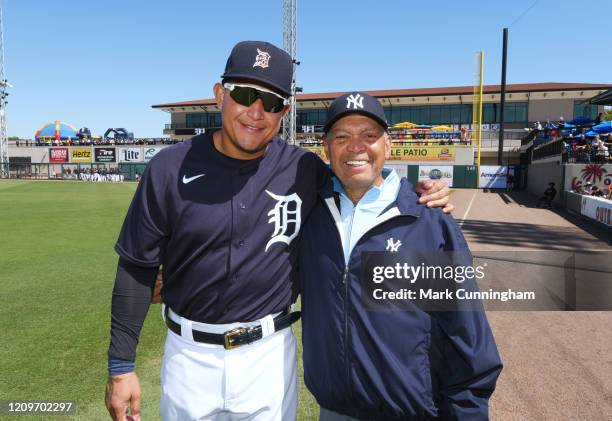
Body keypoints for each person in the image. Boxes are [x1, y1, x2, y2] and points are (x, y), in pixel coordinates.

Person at [105, 41, 452, 421]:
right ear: (220, 95)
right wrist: (121, 367)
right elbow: (136, 267)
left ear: (284, 112)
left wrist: (419, 193)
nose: (256, 112)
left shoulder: (304, 169)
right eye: (245, 95)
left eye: (270, 102)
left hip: (268, 358)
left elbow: (360, 181)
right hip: (189, 356)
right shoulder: (169, 167)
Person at [299, 92, 502, 420]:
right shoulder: (310, 214)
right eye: (342, 136)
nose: (356, 146)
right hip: (333, 411)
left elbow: (466, 335)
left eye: (369, 135)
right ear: (326, 147)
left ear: (388, 146)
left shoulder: (430, 220)